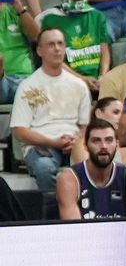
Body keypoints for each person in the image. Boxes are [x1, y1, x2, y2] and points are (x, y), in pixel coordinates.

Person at [11, 28, 90, 192]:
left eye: (60, 43)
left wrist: (77, 142)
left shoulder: (79, 85)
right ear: (39, 50)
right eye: (51, 44)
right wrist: (53, 142)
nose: (57, 48)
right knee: (44, 168)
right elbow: (20, 132)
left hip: (75, 143)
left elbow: (86, 125)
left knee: (91, 165)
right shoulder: (28, 86)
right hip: (42, 145)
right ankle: (57, 212)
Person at [37, 0, 111, 87]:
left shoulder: (98, 16)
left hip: (97, 81)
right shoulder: (51, 18)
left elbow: (104, 50)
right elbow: (52, 58)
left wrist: (103, 76)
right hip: (64, 81)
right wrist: (81, 79)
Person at [58, 118, 126, 219]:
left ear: (117, 144)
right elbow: (74, 230)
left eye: (109, 140)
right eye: (96, 141)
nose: (103, 146)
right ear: (85, 145)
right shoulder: (69, 180)